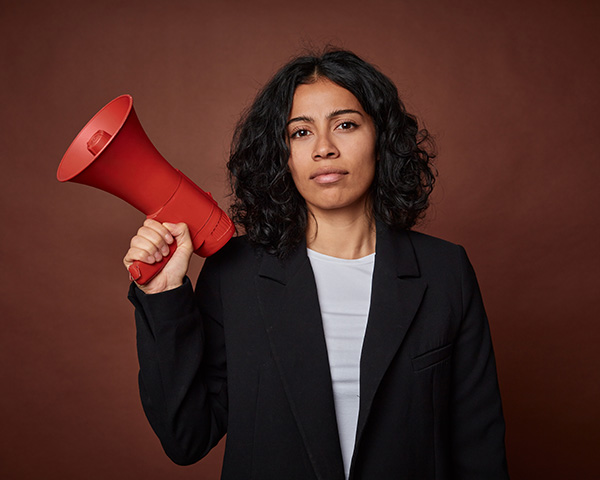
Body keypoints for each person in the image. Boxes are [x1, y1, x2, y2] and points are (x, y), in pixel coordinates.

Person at [124, 50, 509, 479]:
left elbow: (480, 446)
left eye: (345, 125)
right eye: (301, 132)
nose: (324, 148)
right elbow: (185, 439)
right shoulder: (234, 275)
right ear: (281, 154)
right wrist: (161, 298)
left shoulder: (444, 271)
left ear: (381, 140)